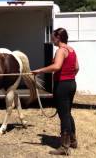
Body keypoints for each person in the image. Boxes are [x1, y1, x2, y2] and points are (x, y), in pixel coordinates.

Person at [32, 28, 79, 156]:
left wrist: (39, 71)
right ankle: (73, 141)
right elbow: (76, 68)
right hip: (71, 84)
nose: (52, 39)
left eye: (53, 37)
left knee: (64, 115)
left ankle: (64, 147)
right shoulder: (71, 50)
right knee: (67, 112)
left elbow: (56, 66)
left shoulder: (60, 51)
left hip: (62, 85)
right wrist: (69, 76)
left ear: (58, 38)